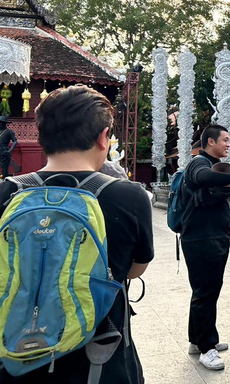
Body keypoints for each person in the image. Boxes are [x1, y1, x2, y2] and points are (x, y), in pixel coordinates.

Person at [0, 85, 153, 384]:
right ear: (102, 137)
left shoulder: (7, 191)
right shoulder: (128, 195)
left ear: (42, 138)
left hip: (14, 353)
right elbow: (136, 269)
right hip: (99, 356)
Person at [180, 124, 230, 371]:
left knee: (204, 291)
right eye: (224, 139)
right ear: (210, 142)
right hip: (202, 239)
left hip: (210, 237)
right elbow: (204, 178)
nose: (227, 144)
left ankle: (197, 340)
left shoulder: (209, 163)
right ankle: (206, 348)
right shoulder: (198, 164)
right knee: (206, 292)